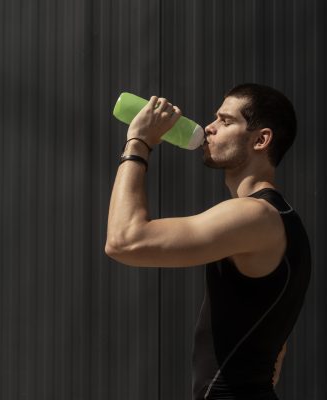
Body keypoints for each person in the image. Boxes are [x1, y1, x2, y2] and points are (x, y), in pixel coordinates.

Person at [105, 83, 311, 400]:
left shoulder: (254, 216)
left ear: (261, 139)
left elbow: (124, 241)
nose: (209, 128)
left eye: (225, 121)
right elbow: (275, 350)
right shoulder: (283, 218)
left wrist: (139, 142)